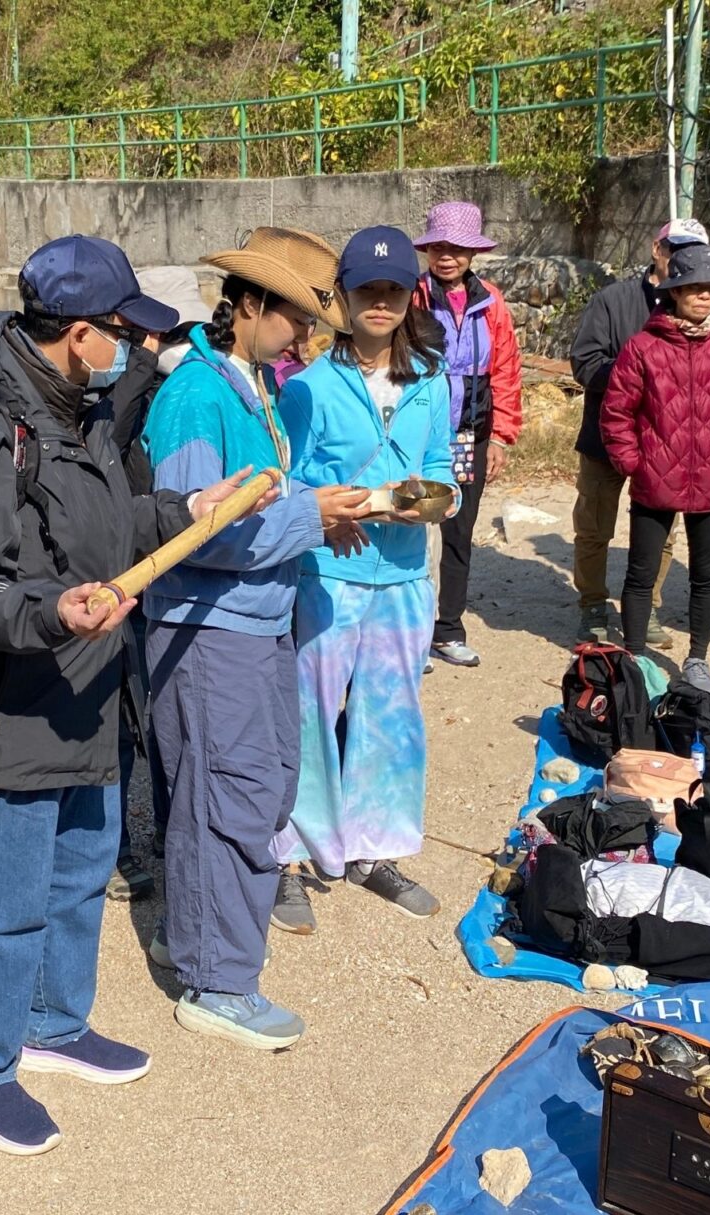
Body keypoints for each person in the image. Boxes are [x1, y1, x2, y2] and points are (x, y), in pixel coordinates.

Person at [0, 235, 263, 1155]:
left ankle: (55, 1022)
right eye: (124, 333)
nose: (140, 350)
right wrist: (54, 614)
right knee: (8, 889)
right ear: (79, 334)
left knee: (79, 870)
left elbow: (106, 527)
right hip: (13, 700)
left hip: (89, 691)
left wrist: (183, 512)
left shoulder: (79, 414)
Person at [140, 228, 371, 1045]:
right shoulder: (197, 397)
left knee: (256, 783)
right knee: (226, 794)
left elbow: (267, 495)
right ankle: (218, 983)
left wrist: (328, 505)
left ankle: (193, 935)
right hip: (209, 630)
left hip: (256, 619)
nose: (305, 340)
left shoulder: (252, 385)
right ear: (245, 306)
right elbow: (197, 532)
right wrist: (313, 517)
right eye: (296, 321)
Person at [273, 226, 455, 921]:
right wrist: (323, 512)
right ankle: (288, 851)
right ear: (342, 298)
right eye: (366, 290)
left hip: (403, 575)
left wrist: (434, 502)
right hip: (330, 572)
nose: (380, 302)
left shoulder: (432, 380)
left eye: (394, 290)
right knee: (310, 710)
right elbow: (286, 480)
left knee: (391, 715)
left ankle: (372, 847)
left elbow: (441, 468)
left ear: (412, 297)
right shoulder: (310, 388)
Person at [600, 245, 710, 697]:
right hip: (655, 478)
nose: (704, 296)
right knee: (640, 573)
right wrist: (633, 462)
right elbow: (617, 413)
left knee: (708, 574)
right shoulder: (642, 347)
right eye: (694, 287)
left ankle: (697, 658)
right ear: (674, 292)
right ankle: (636, 660)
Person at [102, 265, 212, 904]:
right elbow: (104, 443)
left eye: (192, 329)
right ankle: (116, 846)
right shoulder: (111, 387)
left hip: (176, 572)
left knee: (171, 711)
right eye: (168, 332)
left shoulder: (194, 388)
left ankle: (175, 833)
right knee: (117, 718)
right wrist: (138, 369)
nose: (181, 343)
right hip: (119, 572)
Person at [568, 218, 709, 644]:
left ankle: (645, 607)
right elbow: (585, 362)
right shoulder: (614, 301)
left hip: (667, 444)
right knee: (594, 526)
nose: (681, 261)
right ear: (656, 248)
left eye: (691, 254)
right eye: (675, 250)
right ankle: (592, 605)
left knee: (660, 532)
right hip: (605, 437)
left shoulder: (701, 312)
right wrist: (637, 376)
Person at [409, 201, 523, 667]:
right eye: (438, 247)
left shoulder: (491, 304)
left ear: (472, 254)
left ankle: (448, 628)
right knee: (414, 527)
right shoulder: (412, 298)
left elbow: (507, 372)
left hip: (467, 436)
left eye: (457, 248)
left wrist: (499, 438)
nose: (447, 256)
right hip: (419, 434)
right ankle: (412, 632)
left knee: (457, 529)